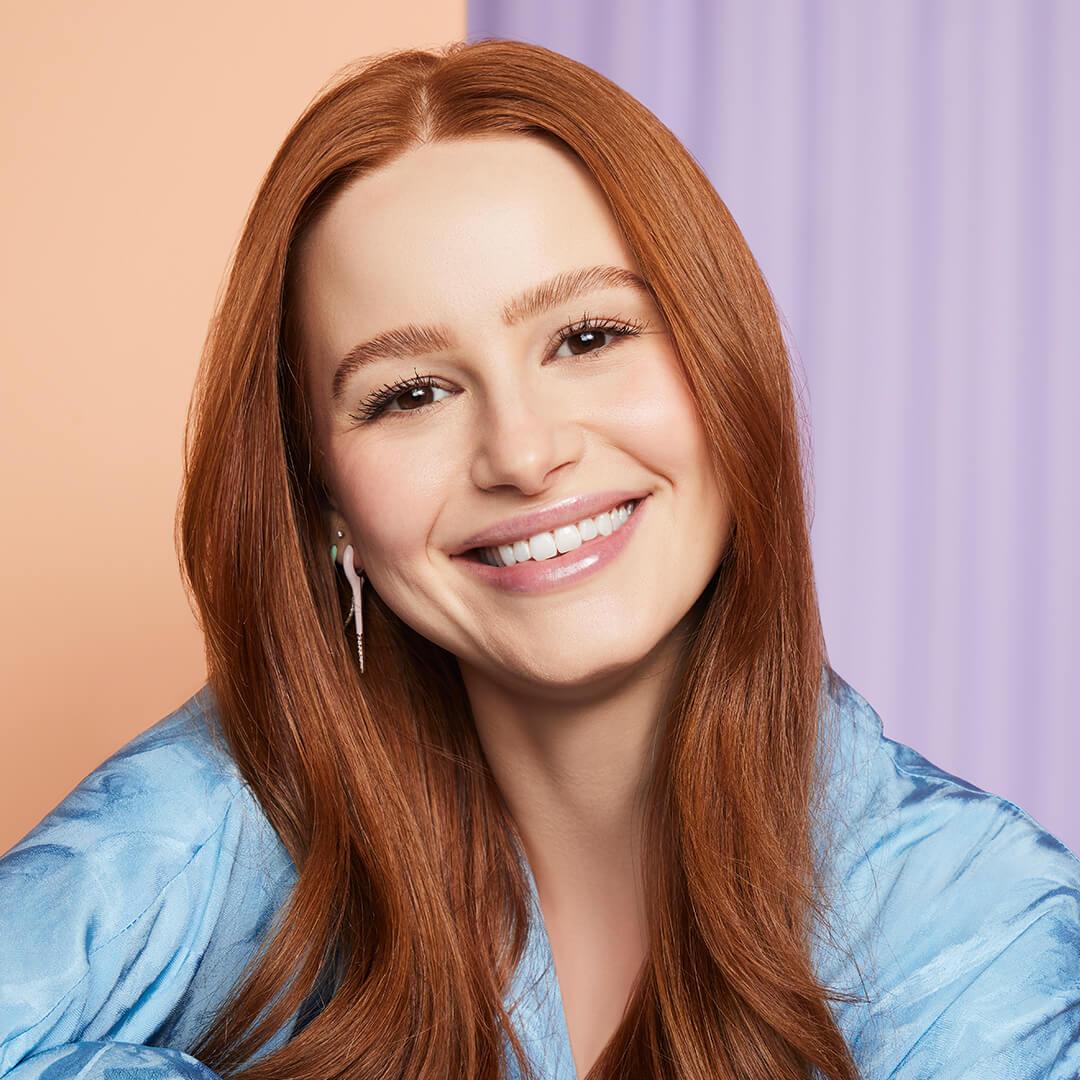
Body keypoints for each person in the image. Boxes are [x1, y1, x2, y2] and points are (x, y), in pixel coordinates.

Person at [1, 37, 1077, 1080]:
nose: (523, 453)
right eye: (410, 395)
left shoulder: (975, 921)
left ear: (724, 362)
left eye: (589, 338)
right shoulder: (231, 816)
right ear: (320, 495)